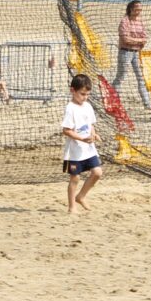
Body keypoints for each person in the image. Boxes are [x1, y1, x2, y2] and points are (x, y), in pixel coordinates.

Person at [62, 73, 103, 214]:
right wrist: (81, 138)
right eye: (82, 94)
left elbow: (90, 124)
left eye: (87, 94)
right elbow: (66, 130)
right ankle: (72, 206)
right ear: (73, 90)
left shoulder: (88, 106)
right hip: (75, 151)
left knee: (97, 172)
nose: (85, 97)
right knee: (75, 178)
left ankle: (81, 196)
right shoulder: (70, 108)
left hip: (88, 148)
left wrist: (94, 134)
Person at [112, 0, 151, 109]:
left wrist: (138, 41)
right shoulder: (125, 21)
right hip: (125, 52)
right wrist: (139, 40)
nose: (139, 12)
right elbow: (125, 39)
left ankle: (147, 103)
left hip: (137, 52)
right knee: (120, 77)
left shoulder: (140, 21)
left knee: (141, 77)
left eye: (140, 9)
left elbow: (145, 38)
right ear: (131, 9)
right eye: (137, 9)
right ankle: (112, 100)